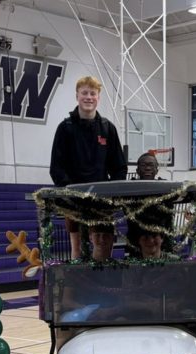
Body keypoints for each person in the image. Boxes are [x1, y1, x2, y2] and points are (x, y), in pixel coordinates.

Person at [49, 76, 128, 259]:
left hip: (101, 202)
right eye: (84, 93)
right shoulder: (65, 128)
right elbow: (56, 167)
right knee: (77, 250)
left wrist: (110, 192)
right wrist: (71, 192)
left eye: (93, 93)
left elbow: (119, 166)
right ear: (77, 96)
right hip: (74, 200)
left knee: (102, 249)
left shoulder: (108, 128)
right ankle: (79, 285)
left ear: (98, 97)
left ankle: (103, 283)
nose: (89, 97)